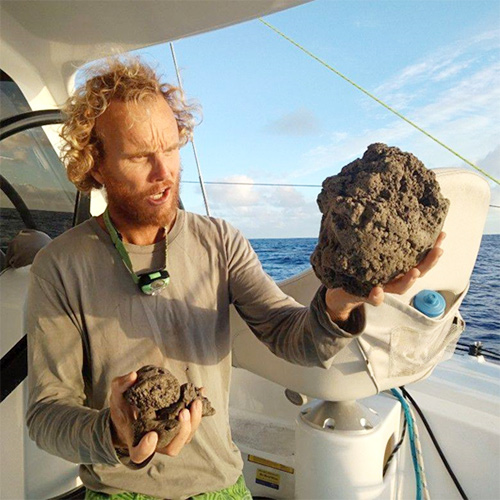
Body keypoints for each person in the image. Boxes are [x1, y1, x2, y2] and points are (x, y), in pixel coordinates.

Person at [25, 57, 444, 500]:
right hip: (115, 492)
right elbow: (46, 416)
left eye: (170, 148)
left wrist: (339, 305)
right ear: (95, 164)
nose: (164, 172)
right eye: (138, 156)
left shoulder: (220, 241)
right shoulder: (59, 266)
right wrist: (113, 431)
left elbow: (291, 336)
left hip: (221, 485)